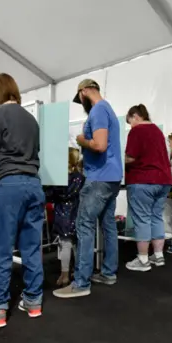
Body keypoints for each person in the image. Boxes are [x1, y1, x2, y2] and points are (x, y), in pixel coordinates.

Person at [0, 73, 46, 328]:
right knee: (31, 247)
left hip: (6, 186)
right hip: (33, 185)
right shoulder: (32, 120)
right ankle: (33, 302)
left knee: (1, 249)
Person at [53, 79, 122, 298]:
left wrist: (82, 140)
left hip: (99, 178)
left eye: (79, 98)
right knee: (108, 225)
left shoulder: (98, 110)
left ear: (83, 92)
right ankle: (109, 273)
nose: (80, 103)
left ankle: (81, 282)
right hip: (111, 177)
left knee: (84, 224)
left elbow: (99, 145)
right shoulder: (107, 108)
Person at [122, 104, 172, 272]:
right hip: (163, 180)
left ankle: (142, 260)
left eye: (130, 121)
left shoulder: (136, 131)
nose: (130, 126)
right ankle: (158, 256)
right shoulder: (157, 131)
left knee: (142, 218)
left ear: (135, 116)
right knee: (156, 217)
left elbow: (130, 158)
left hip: (143, 180)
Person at [46, 148, 85, 286]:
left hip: (63, 213)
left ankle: (64, 274)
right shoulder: (80, 177)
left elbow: (51, 194)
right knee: (75, 243)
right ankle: (78, 270)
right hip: (76, 212)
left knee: (65, 243)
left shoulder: (61, 178)